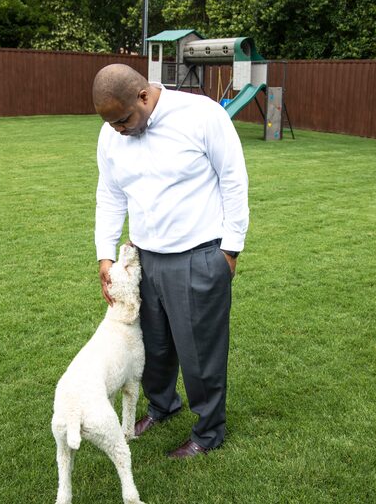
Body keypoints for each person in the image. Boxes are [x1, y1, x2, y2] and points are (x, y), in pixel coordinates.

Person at [92, 63, 249, 458]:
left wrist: (230, 250)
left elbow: (233, 178)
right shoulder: (112, 134)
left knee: (200, 353)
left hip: (199, 255)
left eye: (123, 120)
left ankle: (209, 432)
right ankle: (162, 406)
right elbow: (110, 194)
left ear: (144, 96)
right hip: (145, 260)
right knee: (155, 348)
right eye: (111, 123)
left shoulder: (201, 115)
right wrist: (105, 256)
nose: (118, 130)